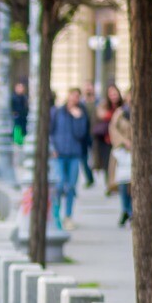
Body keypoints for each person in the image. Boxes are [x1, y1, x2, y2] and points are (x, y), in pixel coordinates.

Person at [49, 86, 91, 230]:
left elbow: (81, 134)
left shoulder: (81, 113)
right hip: (59, 155)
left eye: (77, 96)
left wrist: (77, 118)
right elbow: (50, 132)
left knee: (71, 186)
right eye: (72, 95)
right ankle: (56, 215)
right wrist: (52, 149)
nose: (74, 99)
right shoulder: (57, 112)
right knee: (59, 185)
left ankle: (68, 216)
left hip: (74, 154)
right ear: (68, 96)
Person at [109, 98, 135, 225]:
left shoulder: (142, 111)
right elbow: (113, 129)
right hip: (121, 151)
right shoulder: (120, 113)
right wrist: (124, 141)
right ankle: (125, 209)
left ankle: (131, 211)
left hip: (137, 151)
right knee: (123, 182)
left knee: (133, 184)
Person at [10, 81, 30, 146]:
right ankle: (17, 141)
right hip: (17, 118)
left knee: (23, 130)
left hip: (23, 118)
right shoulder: (14, 97)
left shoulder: (24, 98)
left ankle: (21, 141)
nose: (20, 89)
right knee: (17, 129)